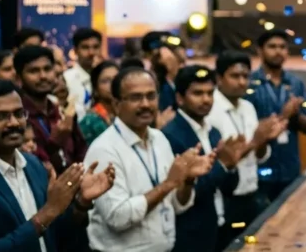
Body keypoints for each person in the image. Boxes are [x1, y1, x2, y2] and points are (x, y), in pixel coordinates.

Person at [84, 66, 214, 252]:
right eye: (136, 97)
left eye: (151, 96)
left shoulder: (159, 139)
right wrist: (168, 184)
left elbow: (177, 205)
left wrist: (188, 180)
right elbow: (117, 218)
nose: (146, 104)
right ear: (116, 104)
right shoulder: (104, 149)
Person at [0, 80, 115, 252]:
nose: (14, 123)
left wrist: (81, 203)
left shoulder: (34, 165)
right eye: (0, 116)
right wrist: (48, 212)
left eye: (19, 114)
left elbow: (56, 234)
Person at [207, 51, 287, 251]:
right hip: (225, 200)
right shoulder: (210, 110)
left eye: (246, 76)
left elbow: (260, 157)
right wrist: (256, 141)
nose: (242, 82)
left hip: (252, 192)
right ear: (219, 78)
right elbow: (222, 160)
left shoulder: (248, 107)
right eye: (235, 76)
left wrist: (264, 141)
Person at [161, 66, 242, 252]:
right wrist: (222, 165)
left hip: (218, 224)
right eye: (197, 93)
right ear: (180, 98)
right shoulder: (170, 136)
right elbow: (185, 195)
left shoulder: (214, 133)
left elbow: (230, 187)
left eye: (210, 93)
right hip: (189, 233)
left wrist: (232, 166)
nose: (206, 100)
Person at [245, 29, 306, 202]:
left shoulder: (296, 84)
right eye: (272, 46)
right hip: (258, 171)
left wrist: (295, 115)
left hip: (290, 168)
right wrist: (283, 116)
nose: (278, 51)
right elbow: (245, 128)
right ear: (259, 50)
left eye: (283, 47)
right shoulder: (248, 83)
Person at [13, 45, 87, 175]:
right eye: (33, 71)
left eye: (47, 69)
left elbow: (82, 151)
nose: (43, 76)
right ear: (19, 78)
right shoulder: (17, 117)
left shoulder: (61, 110)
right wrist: (55, 143)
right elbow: (28, 166)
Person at [63, 28, 104, 122]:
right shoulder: (67, 78)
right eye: (85, 47)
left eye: (96, 47)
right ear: (76, 51)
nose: (91, 53)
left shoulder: (107, 77)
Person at [78, 62, 119, 144]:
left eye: (116, 79)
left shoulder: (128, 115)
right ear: (96, 89)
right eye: (105, 81)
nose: (112, 84)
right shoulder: (89, 121)